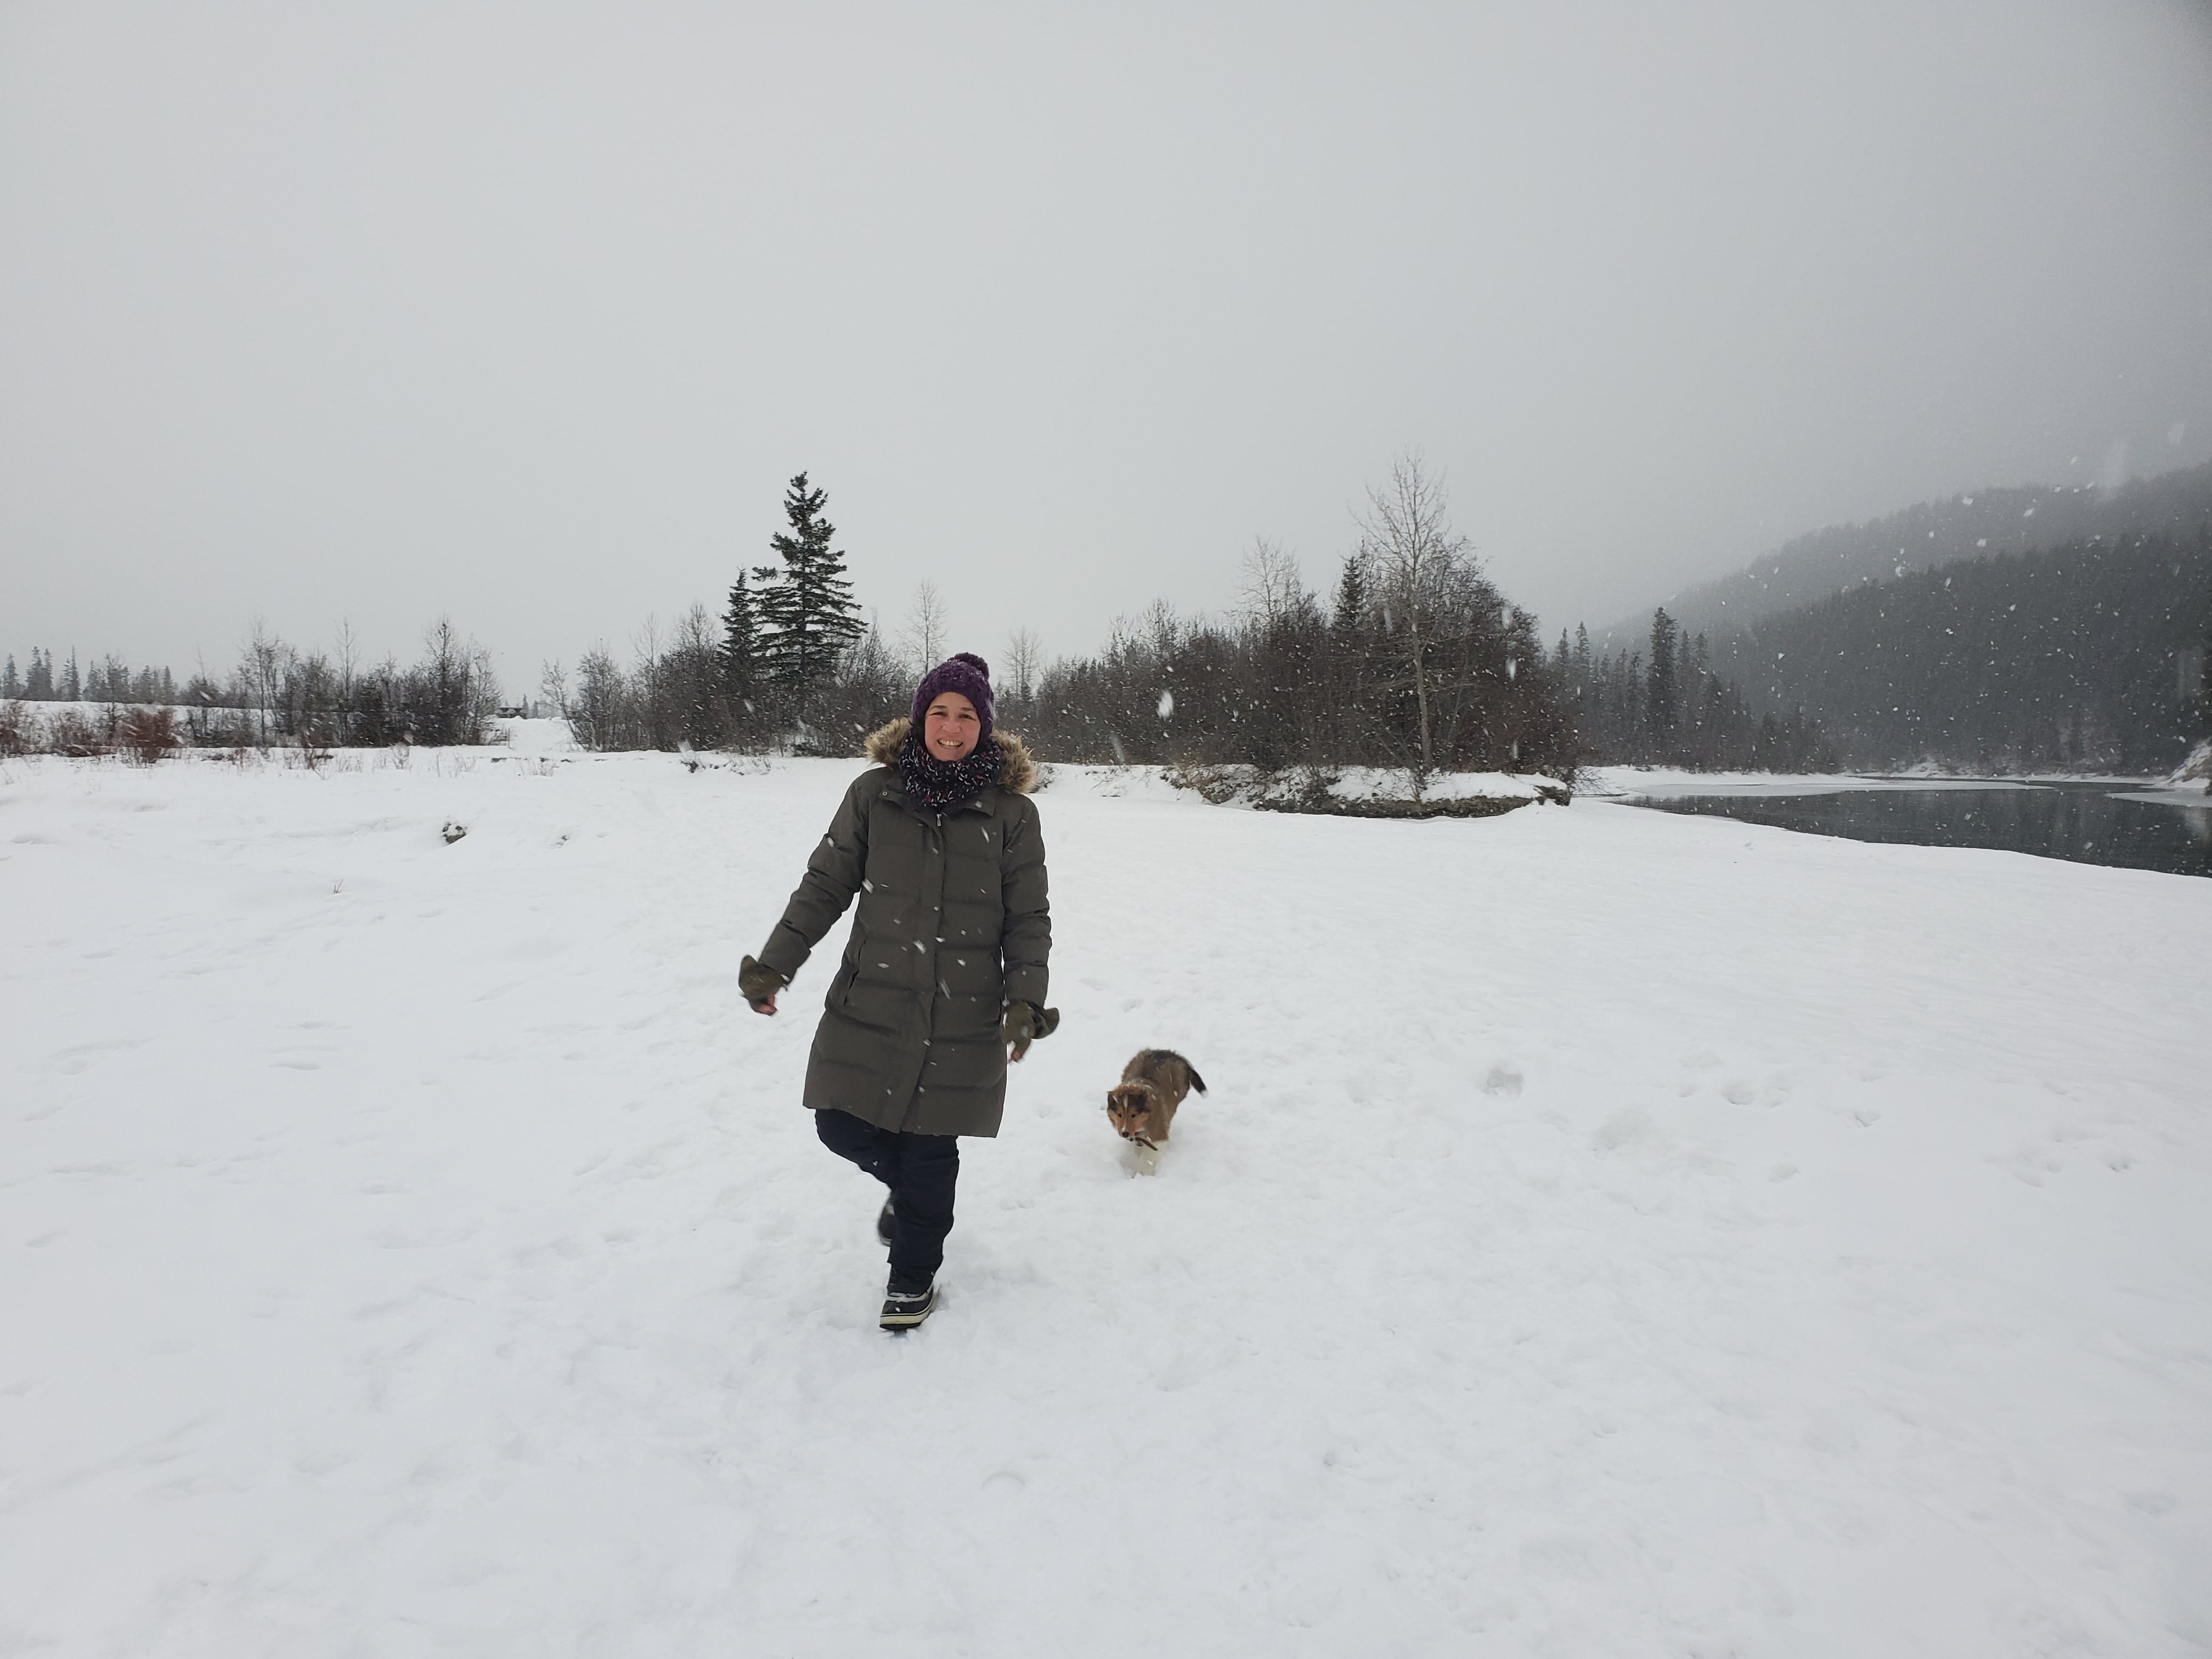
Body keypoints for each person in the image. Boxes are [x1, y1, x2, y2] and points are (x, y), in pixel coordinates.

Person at [738, 653, 1056, 1330]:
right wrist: (775, 964)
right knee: (840, 1123)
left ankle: (912, 1276)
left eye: (966, 715)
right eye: (939, 711)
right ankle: (914, 1197)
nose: (951, 726)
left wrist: (1023, 1001)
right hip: (872, 997)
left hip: (965, 1010)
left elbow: (1029, 918)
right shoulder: (874, 794)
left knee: (931, 1149)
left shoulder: (1012, 815)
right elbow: (824, 886)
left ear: (985, 727)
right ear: (919, 719)